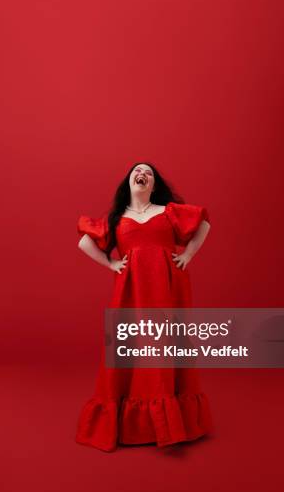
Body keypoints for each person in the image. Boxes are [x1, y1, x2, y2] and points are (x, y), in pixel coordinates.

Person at [76, 162, 213, 451]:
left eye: (149, 173)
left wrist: (188, 254)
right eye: (138, 171)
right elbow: (85, 243)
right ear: (128, 181)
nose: (143, 175)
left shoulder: (169, 212)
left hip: (167, 291)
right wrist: (111, 263)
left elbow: (204, 224)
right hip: (131, 294)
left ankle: (170, 421)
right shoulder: (116, 219)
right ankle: (135, 423)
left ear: (153, 184)